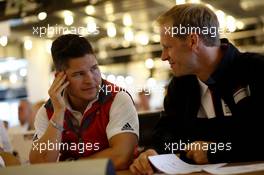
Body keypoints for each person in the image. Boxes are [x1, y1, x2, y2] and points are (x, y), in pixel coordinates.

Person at [130, 3, 264, 174]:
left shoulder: (256, 71)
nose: (163, 57)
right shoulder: (179, 85)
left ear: (193, 41)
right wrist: (154, 152)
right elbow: (167, 133)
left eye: (167, 47)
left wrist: (217, 150)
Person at [29, 34, 139, 170]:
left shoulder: (117, 98)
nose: (90, 79)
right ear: (60, 78)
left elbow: (121, 157)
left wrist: (70, 166)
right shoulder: (48, 111)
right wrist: (58, 113)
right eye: (79, 74)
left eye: (94, 69)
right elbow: (39, 164)